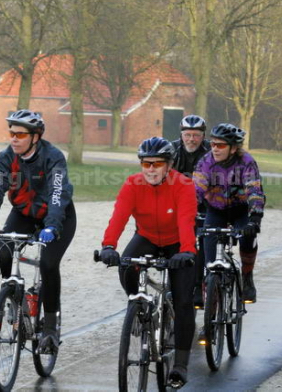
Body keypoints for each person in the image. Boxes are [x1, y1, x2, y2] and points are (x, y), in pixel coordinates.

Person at [0, 109, 76, 354]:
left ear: (35, 137)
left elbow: (57, 194)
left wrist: (52, 226)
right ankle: (14, 299)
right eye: (11, 134)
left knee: (48, 264)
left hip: (58, 215)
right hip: (24, 213)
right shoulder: (6, 158)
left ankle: (50, 327)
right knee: (3, 252)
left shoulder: (53, 157)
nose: (14, 139)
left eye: (20, 134)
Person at [98, 137, 197, 387]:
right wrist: (108, 246)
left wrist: (187, 250)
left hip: (177, 241)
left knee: (184, 301)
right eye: (146, 163)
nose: (151, 169)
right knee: (125, 266)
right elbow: (119, 217)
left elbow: (186, 221)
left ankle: (180, 365)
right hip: (147, 236)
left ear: (169, 165)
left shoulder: (183, 185)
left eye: (157, 164)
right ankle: (140, 308)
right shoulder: (133, 184)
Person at [193, 123, 265, 303]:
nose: (215, 149)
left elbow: (254, 190)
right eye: (213, 144)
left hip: (241, 209)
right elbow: (195, 190)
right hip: (216, 210)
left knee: (247, 238)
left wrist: (255, 218)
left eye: (221, 145)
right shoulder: (206, 162)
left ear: (233, 148)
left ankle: (247, 277)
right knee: (209, 259)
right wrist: (188, 213)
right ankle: (211, 307)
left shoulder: (246, 162)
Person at [171, 114, 211, 308]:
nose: (191, 139)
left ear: (203, 136)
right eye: (187, 135)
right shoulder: (172, 150)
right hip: (178, 202)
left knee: (202, 239)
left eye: (196, 135)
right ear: (181, 135)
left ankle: (197, 284)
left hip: (205, 203)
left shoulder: (211, 151)